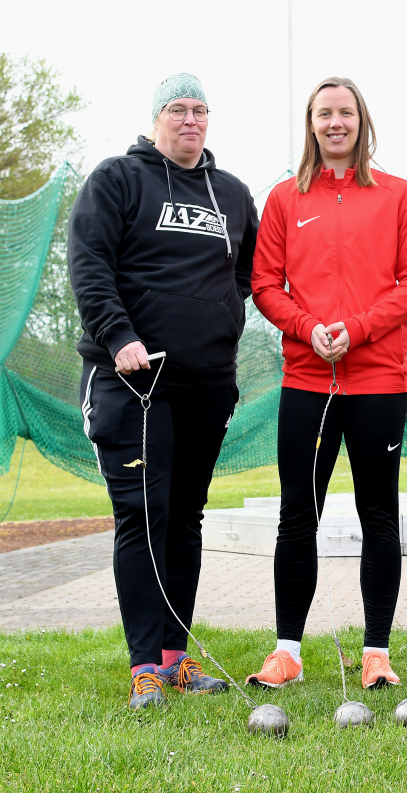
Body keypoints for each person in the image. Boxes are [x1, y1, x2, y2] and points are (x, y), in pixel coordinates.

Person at [69, 74, 259, 709]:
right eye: (178, 110)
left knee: (183, 519)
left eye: (200, 110)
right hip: (131, 380)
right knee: (142, 518)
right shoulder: (118, 179)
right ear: (156, 119)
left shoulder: (231, 193)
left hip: (206, 385)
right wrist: (119, 335)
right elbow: (90, 262)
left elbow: (244, 273)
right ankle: (144, 666)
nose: (190, 120)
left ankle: (176, 660)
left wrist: (221, 320)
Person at [247, 77, 407, 691]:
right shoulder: (282, 199)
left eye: (345, 112)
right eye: (324, 113)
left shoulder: (399, 195)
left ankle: (376, 651)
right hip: (306, 382)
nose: (335, 123)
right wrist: (307, 328)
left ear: (362, 121)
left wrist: (354, 330)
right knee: (297, 514)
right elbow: (265, 284)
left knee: (379, 514)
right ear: (311, 123)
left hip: (378, 381)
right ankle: (287, 653)